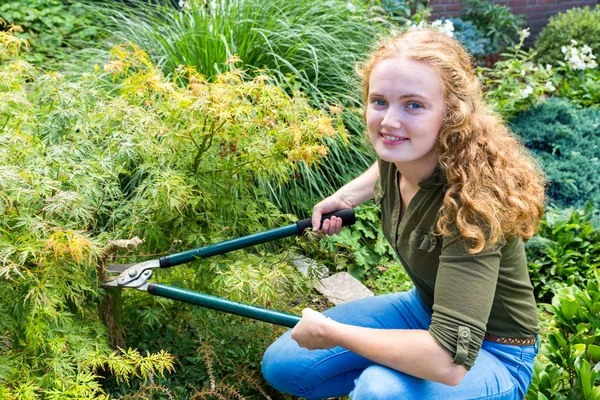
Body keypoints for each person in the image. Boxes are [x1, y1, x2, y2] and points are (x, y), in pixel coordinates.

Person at [261, 27, 546, 399]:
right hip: (423, 311)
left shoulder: (473, 205)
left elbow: (448, 361)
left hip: (495, 352)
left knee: (381, 391)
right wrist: (347, 196)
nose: (389, 121)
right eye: (380, 101)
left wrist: (334, 334)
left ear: (450, 114)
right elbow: (383, 160)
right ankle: (401, 366)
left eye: (413, 105)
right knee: (284, 364)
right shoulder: (403, 153)